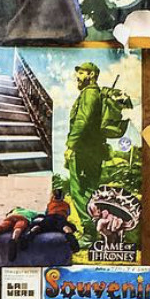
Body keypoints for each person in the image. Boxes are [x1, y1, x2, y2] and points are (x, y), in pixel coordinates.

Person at [62, 63, 110, 240]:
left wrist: (70, 146)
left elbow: (82, 121)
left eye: (81, 73)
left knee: (78, 190)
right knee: (90, 190)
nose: (78, 76)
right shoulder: (94, 93)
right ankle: (95, 230)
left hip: (83, 150)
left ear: (91, 75)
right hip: (94, 150)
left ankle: (89, 233)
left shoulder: (89, 94)